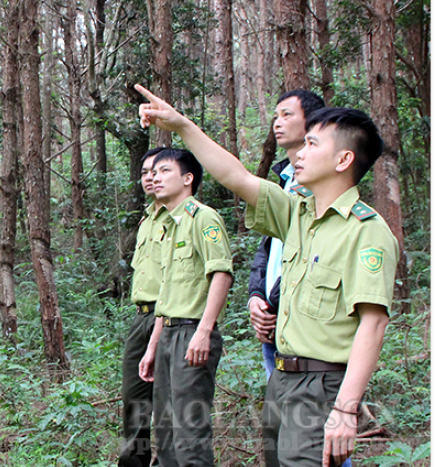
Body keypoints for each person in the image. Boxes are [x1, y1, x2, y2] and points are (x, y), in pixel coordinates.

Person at [136, 84, 398, 467]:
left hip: (323, 385)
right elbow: (236, 176)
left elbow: (372, 326)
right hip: (282, 377)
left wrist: (345, 409)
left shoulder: (366, 231)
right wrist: (181, 126)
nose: (301, 153)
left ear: (343, 160)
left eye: (312, 144)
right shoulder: (296, 214)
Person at [138, 148, 233, 466]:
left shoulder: (203, 218)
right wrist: (153, 346)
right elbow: (167, 295)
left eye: (165, 171)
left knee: (190, 432)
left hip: (192, 333)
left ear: (188, 178)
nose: (155, 177)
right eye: (153, 173)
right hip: (168, 334)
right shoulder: (170, 225)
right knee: (164, 430)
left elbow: (221, 272)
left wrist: (204, 330)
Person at [249, 90, 325, 380]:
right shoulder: (284, 180)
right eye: (275, 116)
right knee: (279, 420)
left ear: (312, 121)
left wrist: (274, 301)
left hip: (304, 327)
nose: (277, 123)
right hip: (272, 323)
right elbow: (268, 250)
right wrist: (257, 297)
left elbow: (310, 256)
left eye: (287, 115)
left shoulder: (323, 184)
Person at [119, 147, 169, 467]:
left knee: (169, 405)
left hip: (170, 317)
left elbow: (176, 283)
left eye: (158, 170)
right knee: (134, 402)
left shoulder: (183, 220)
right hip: (141, 318)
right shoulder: (146, 219)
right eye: (144, 172)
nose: (149, 177)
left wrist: (156, 338)